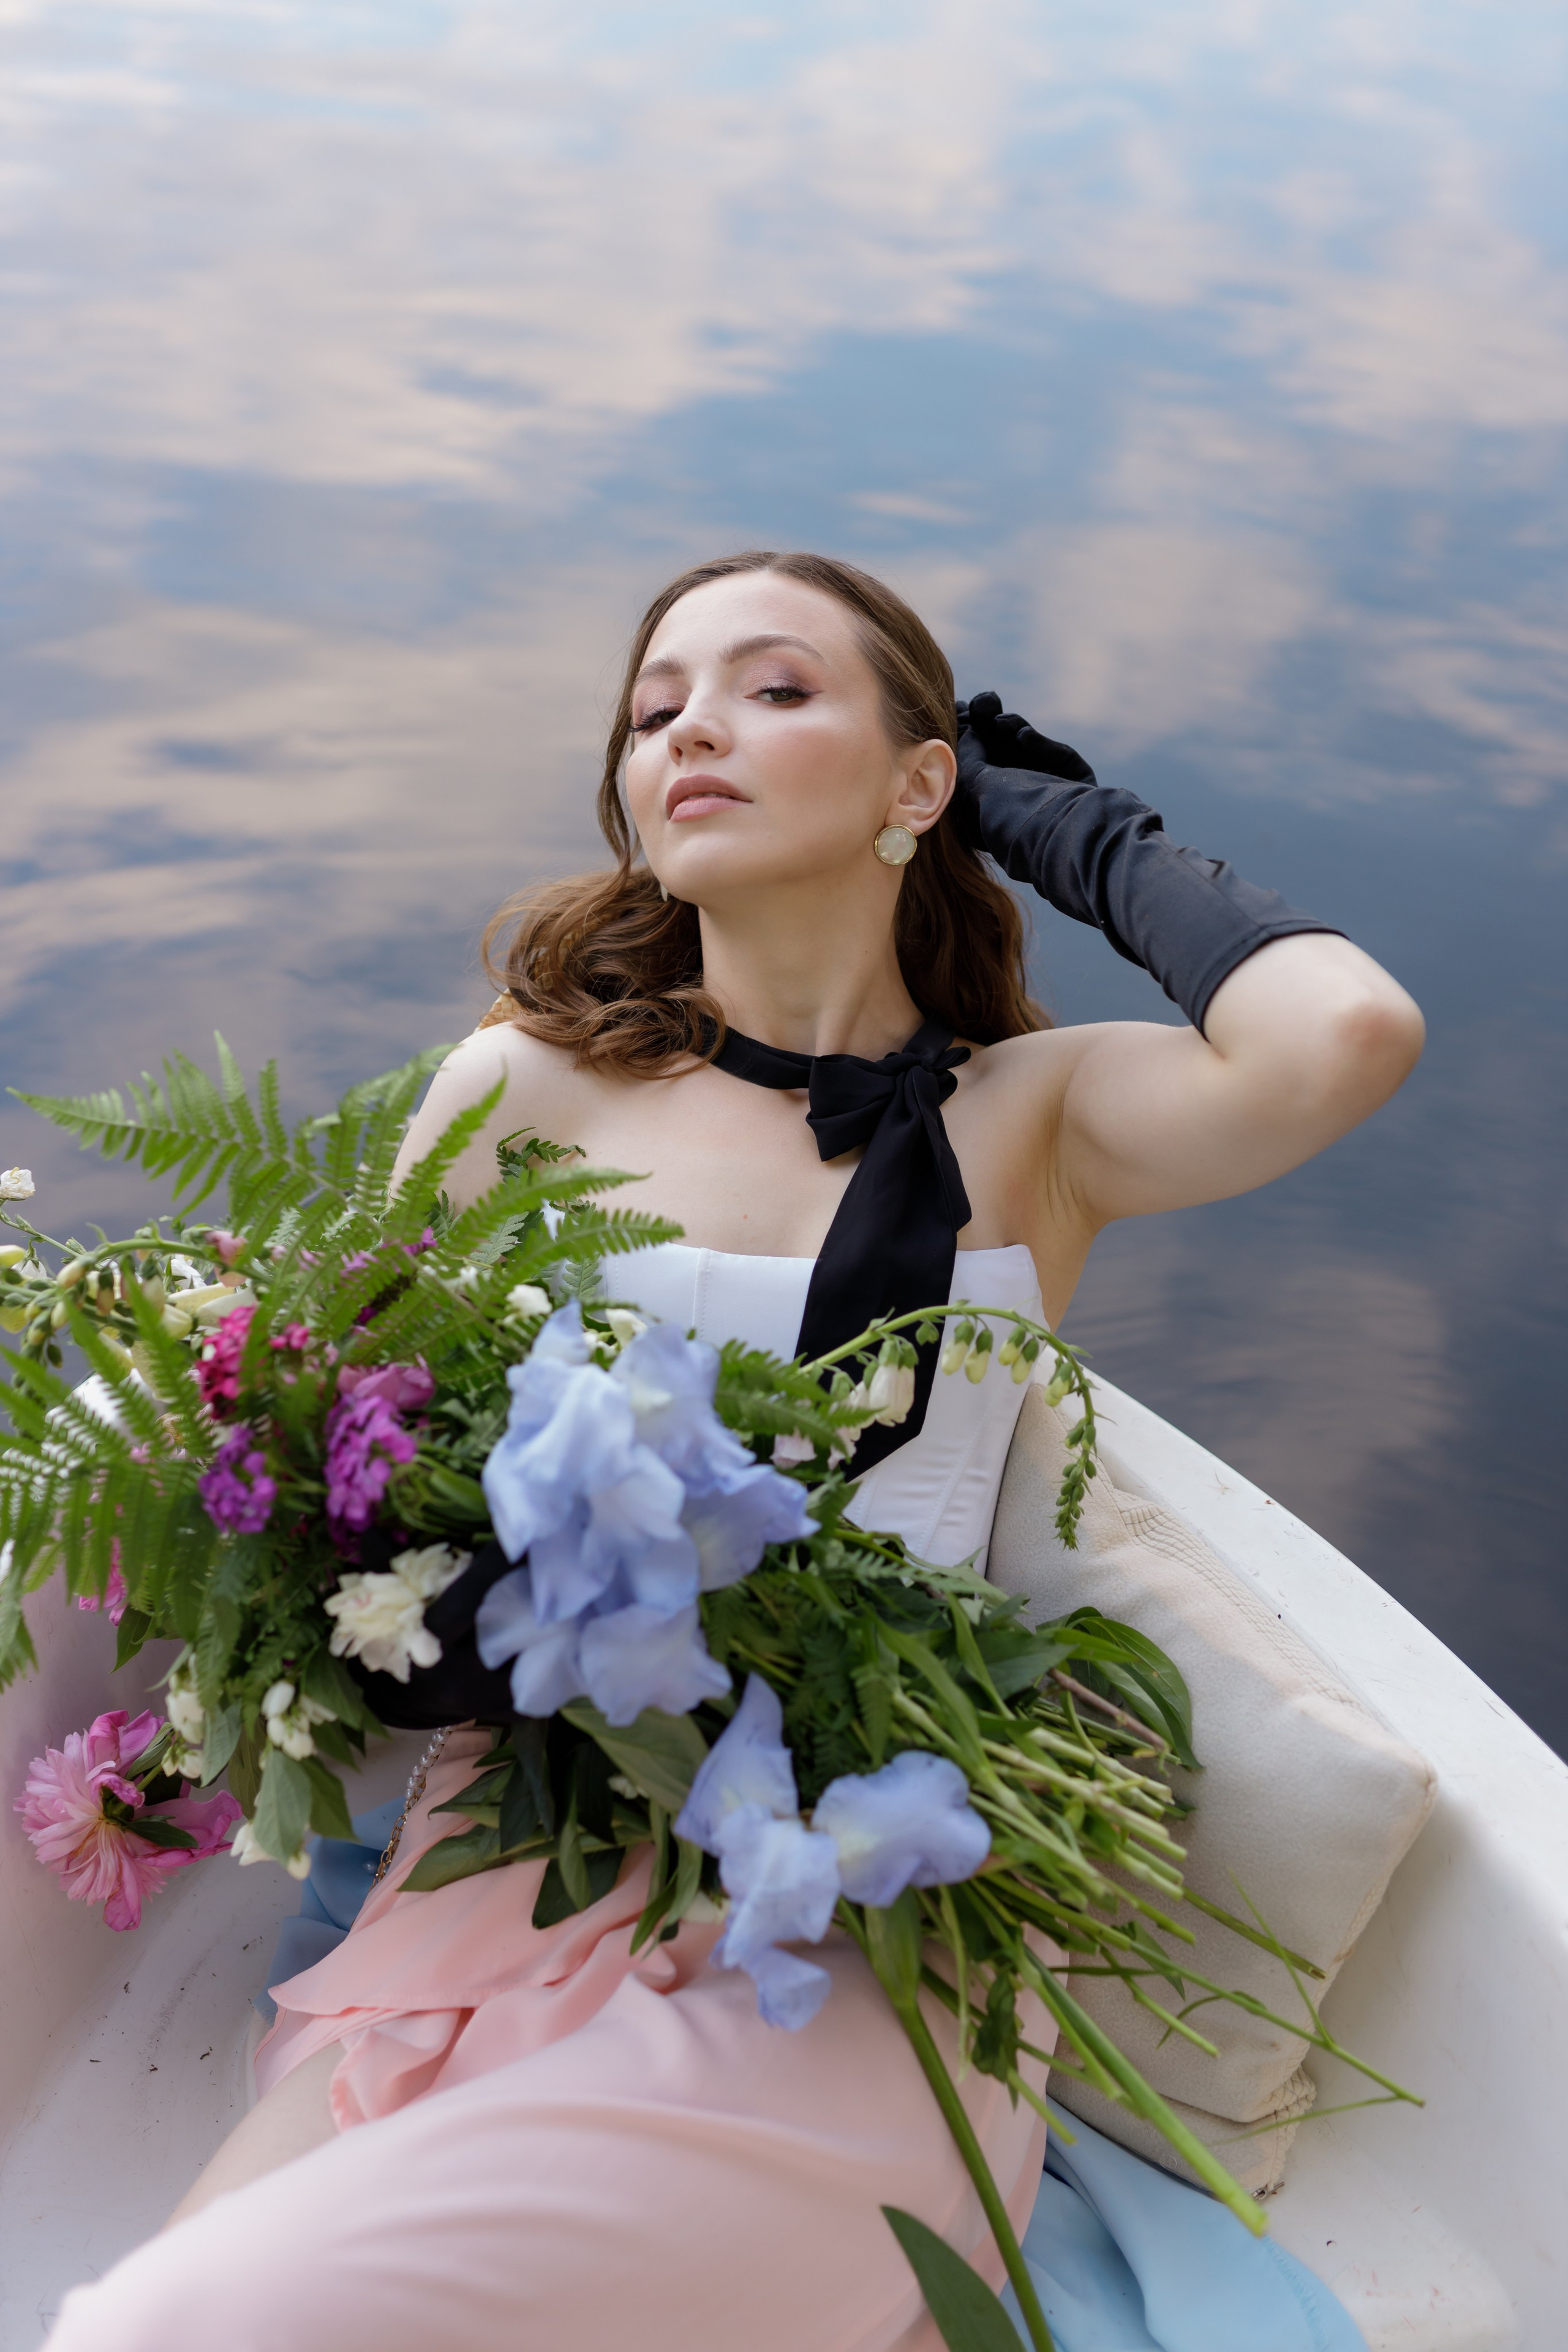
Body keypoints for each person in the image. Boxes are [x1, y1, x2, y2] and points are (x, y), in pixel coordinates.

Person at [47, 551, 1423, 2351]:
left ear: (914, 783)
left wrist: (1047, 816)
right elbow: (320, 1427)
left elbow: (1348, 1035)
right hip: (506, 1862)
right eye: (652, 706)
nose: (691, 724)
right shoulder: (518, 1088)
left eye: (773, 688)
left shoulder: (1042, 1116)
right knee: (168, 2315)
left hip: (856, 1896)